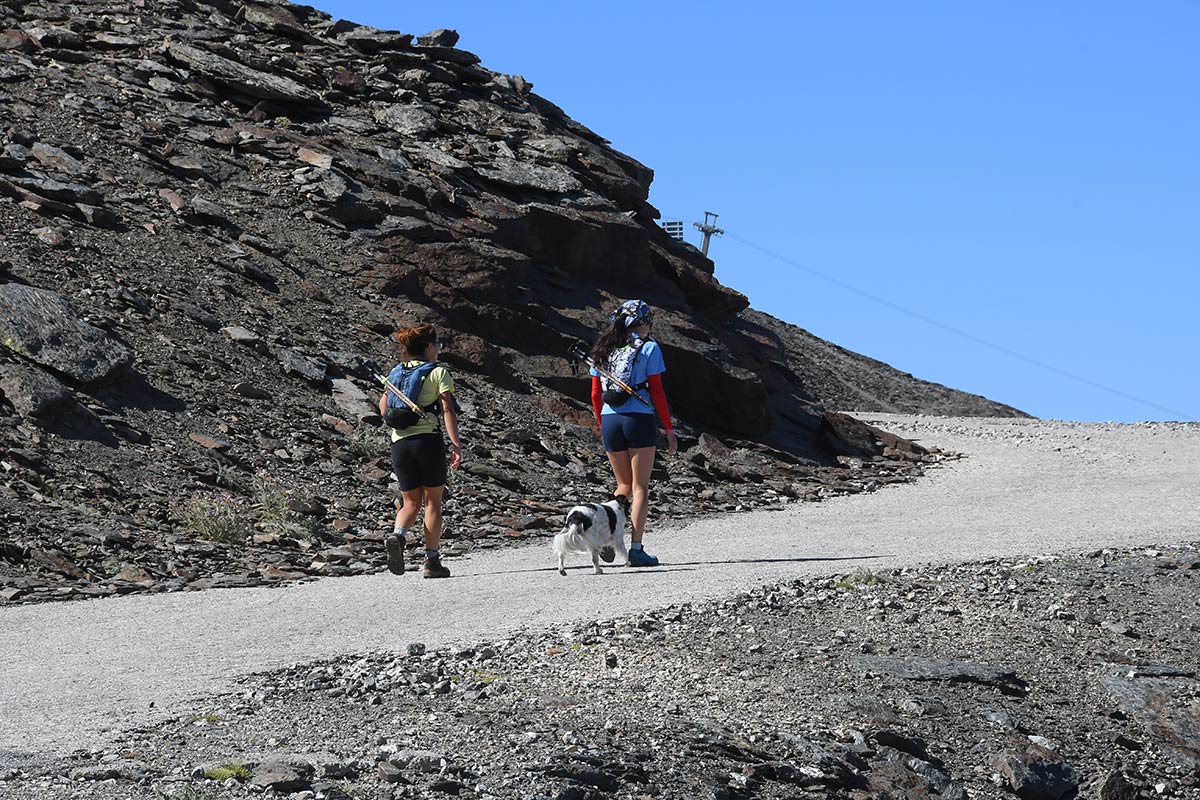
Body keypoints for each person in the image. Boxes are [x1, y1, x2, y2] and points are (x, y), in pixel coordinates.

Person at [589, 299, 677, 567]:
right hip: (638, 418)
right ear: (642, 323)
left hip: (610, 420)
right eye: (649, 322)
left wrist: (602, 422)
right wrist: (668, 428)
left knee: (622, 486)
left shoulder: (602, 351)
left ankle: (604, 536)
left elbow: (595, 394)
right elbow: (657, 391)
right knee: (640, 487)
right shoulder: (649, 348)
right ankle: (636, 550)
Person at [377, 324, 462, 579]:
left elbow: (383, 408)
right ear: (428, 347)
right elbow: (447, 409)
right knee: (433, 501)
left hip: (399, 443)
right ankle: (432, 561)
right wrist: (456, 444)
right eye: (438, 344)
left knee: (410, 501)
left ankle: (398, 535)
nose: (439, 349)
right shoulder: (438, 373)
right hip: (428, 441)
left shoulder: (395, 373)